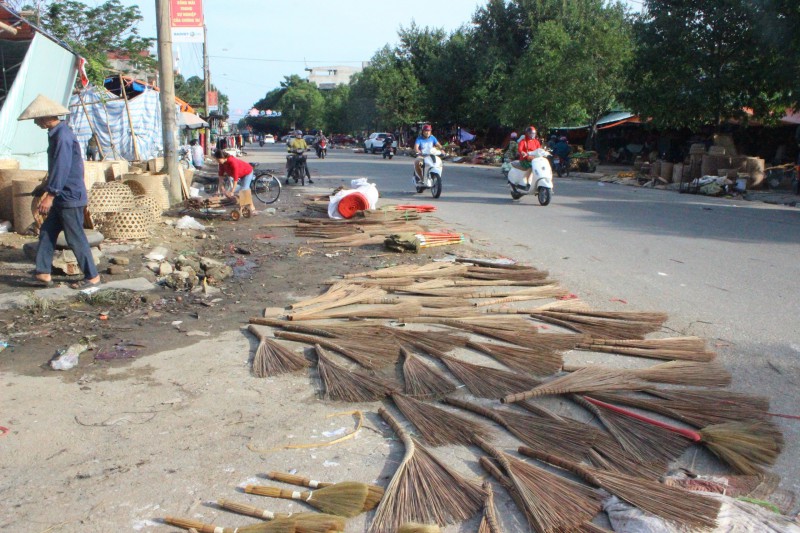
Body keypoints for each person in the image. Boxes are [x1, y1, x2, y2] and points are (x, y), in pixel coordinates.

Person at [18, 94, 100, 289]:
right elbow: (57, 168)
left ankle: (92, 276)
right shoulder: (57, 133)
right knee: (47, 232)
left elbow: (62, 168)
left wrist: (50, 195)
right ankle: (43, 272)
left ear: (47, 117)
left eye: (37, 119)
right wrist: (44, 187)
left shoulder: (62, 136)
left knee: (74, 237)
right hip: (63, 195)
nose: (36, 123)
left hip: (68, 196)